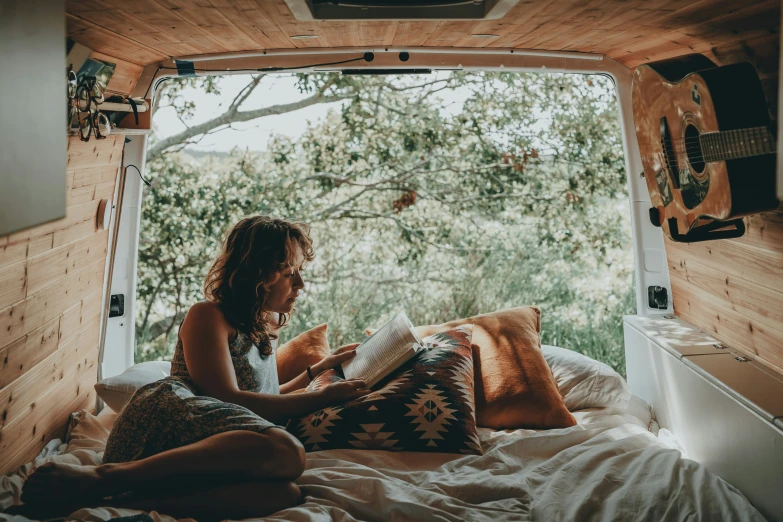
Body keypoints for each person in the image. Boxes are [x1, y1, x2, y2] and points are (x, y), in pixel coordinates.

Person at [15, 216, 371, 521]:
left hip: (212, 443)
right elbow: (228, 398)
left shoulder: (266, 324)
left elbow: (264, 397)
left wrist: (316, 372)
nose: (300, 284)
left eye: (299, 272)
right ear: (257, 273)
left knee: (284, 495)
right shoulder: (208, 315)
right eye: (288, 272)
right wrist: (318, 398)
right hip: (170, 423)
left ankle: (121, 503)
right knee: (288, 453)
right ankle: (107, 477)